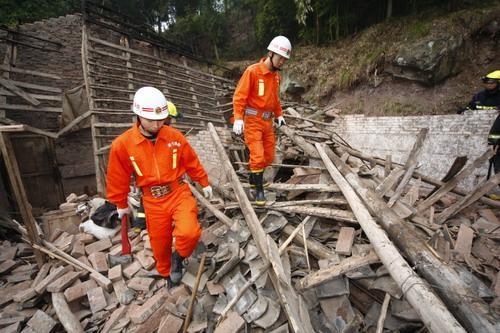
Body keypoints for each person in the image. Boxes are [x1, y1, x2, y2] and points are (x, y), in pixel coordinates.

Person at [106, 86, 212, 286]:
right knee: (159, 244)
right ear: (138, 116)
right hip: (152, 201)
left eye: (161, 119)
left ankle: (178, 258)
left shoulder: (174, 137)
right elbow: (117, 176)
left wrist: (203, 181)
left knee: (189, 232)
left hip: (178, 192)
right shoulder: (123, 145)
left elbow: (191, 160)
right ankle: (165, 273)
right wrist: (119, 203)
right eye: (151, 120)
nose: (156, 124)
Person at [232, 35, 291, 205]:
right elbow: (239, 96)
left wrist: (279, 115)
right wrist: (238, 118)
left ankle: (253, 178)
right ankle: (259, 192)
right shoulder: (252, 71)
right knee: (257, 156)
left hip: (267, 121)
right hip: (252, 121)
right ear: (271, 54)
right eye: (280, 58)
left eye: (284, 60)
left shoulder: (276, 77)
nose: (282, 62)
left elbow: (275, 99)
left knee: (269, 156)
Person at [458, 70, 500, 198]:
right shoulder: (479, 96)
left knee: (497, 164)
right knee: (493, 163)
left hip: (495, 137)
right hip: (482, 138)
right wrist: (463, 111)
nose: (487, 85)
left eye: (491, 82)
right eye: (486, 82)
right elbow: (471, 109)